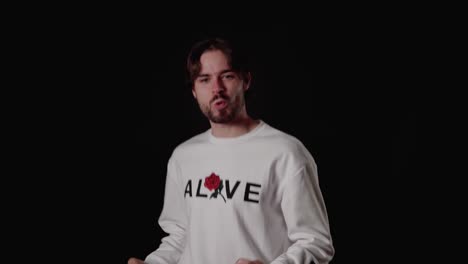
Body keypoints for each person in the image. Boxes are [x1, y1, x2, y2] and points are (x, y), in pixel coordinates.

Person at [128, 37, 334, 264]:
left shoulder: (286, 153)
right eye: (204, 79)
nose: (217, 89)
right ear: (194, 91)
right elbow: (180, 236)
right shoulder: (183, 156)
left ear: (245, 80)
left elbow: (315, 242)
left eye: (226, 76)